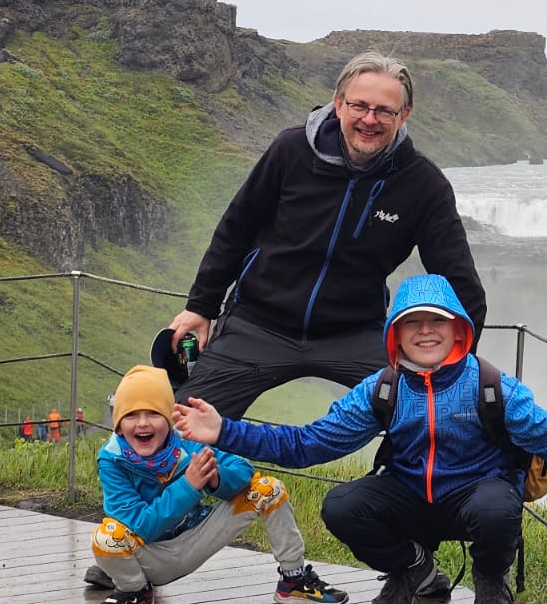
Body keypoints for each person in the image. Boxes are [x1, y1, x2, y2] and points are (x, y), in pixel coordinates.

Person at [174, 273, 547, 604]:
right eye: (412, 323)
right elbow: (307, 443)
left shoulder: (492, 387)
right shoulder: (383, 389)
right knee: (343, 505)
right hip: (410, 499)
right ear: (396, 334)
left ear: (459, 328)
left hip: (474, 499)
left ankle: (490, 581)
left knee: (497, 505)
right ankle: (412, 568)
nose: (425, 331)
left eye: (437, 321)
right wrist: (224, 432)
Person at [166, 51, 487, 420]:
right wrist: (201, 307)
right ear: (338, 104)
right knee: (182, 425)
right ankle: (206, 477)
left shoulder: (423, 183)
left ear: (404, 116)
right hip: (258, 323)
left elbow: (459, 281)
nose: (370, 119)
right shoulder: (291, 150)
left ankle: (399, 477)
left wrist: (459, 363)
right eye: (359, 106)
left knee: (434, 420)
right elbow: (236, 228)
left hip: (356, 333)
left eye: (385, 111)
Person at [87, 366, 349, 604]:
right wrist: (189, 486)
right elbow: (139, 526)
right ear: (119, 426)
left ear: (169, 419)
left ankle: (294, 579)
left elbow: (243, 469)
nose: (143, 423)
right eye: (131, 415)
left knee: (269, 488)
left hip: (198, 536)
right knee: (106, 537)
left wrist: (215, 478)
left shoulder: (186, 440)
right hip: (150, 556)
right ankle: (135, 592)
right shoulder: (112, 460)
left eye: (153, 414)